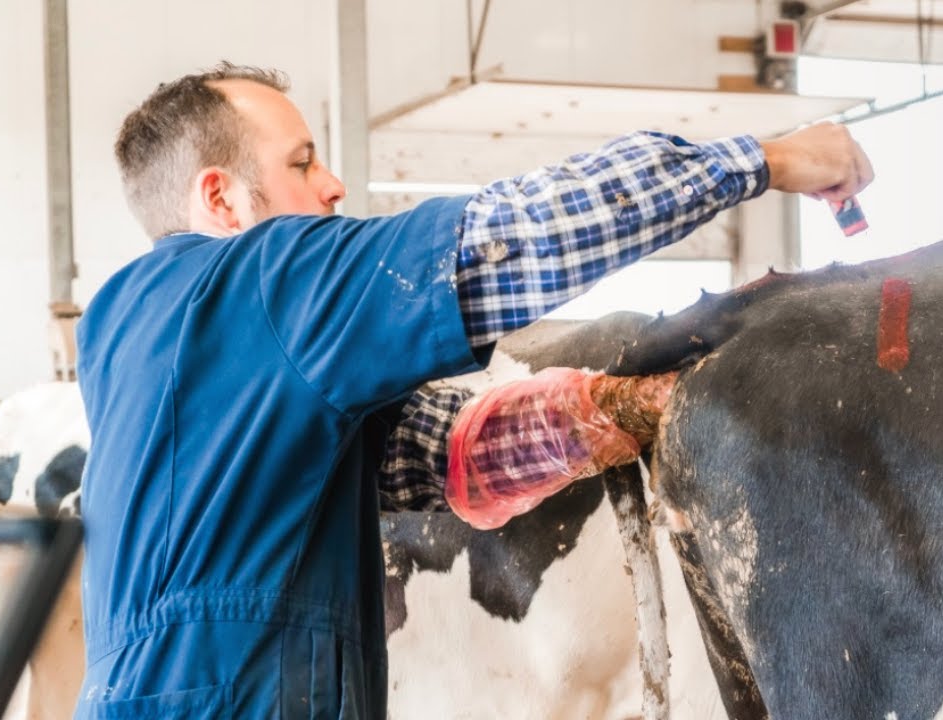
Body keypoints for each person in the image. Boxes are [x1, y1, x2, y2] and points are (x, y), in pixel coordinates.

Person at [73, 61, 873, 718]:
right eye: (301, 162)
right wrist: (768, 160)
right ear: (220, 198)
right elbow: (519, 236)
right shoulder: (268, 279)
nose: (332, 186)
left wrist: (612, 409)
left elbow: (431, 453)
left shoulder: (132, 326)